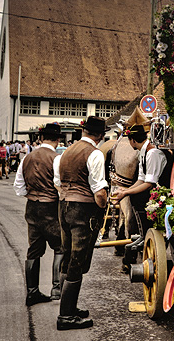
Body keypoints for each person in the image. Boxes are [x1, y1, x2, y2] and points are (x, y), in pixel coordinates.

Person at [53, 116, 108, 330]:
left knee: (68, 257)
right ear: (101, 135)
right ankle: (66, 316)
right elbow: (99, 191)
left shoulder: (67, 151)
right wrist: (102, 207)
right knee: (78, 260)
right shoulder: (94, 153)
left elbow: (57, 182)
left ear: (84, 131)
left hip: (64, 207)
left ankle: (69, 308)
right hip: (82, 210)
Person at [13, 123, 68, 307]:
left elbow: (18, 187)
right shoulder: (57, 158)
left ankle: (32, 292)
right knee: (60, 247)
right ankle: (56, 288)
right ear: (58, 139)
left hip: (32, 208)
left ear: (40, 138)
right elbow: (60, 187)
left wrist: (32, 195)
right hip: (50, 208)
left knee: (34, 250)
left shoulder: (27, 158)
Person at [112, 124, 168, 269]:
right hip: (150, 189)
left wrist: (126, 192)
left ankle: (144, 238)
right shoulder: (143, 151)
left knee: (138, 198)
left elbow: (149, 183)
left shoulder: (152, 153)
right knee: (133, 197)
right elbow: (140, 179)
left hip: (160, 193)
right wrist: (126, 191)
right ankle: (140, 236)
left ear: (132, 140)